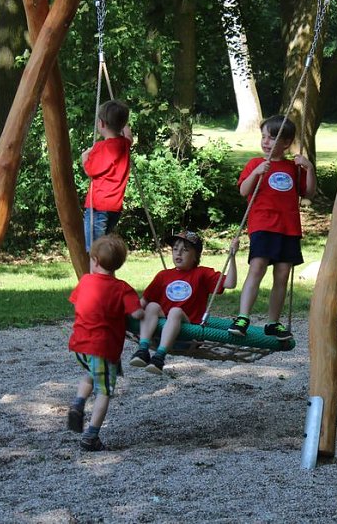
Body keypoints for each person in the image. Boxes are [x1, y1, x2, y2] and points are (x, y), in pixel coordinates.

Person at [228, 115, 316, 341]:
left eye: (271, 138)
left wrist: (310, 168)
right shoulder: (255, 164)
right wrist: (257, 173)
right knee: (257, 267)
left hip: (288, 227)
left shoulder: (293, 167)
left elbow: (308, 193)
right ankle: (243, 317)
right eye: (263, 137)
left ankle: (272, 323)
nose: (265, 141)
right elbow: (243, 191)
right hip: (263, 224)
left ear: (286, 143)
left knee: (283, 274)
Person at [67, 233, 144, 451]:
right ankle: (90, 437)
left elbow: (77, 304)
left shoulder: (85, 282)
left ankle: (79, 402)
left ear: (95, 261)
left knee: (91, 374)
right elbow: (137, 314)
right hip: (103, 348)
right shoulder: (122, 289)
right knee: (104, 391)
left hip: (80, 345)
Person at [130, 231, 239, 374]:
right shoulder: (163, 275)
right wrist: (125, 315)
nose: (178, 253)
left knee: (175, 311)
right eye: (175, 249)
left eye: (185, 250)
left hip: (188, 336)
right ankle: (143, 350)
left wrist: (232, 256)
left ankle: (159, 358)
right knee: (152, 306)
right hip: (159, 334)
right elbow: (143, 302)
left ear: (196, 256)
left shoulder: (202, 274)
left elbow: (230, 283)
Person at [81, 100, 133, 252]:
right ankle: (104, 274)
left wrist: (84, 157)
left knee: (96, 251)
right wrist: (123, 123)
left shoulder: (101, 148)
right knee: (104, 249)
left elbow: (90, 171)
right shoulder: (124, 144)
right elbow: (129, 135)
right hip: (114, 208)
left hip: (98, 207)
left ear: (101, 124)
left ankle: (96, 275)